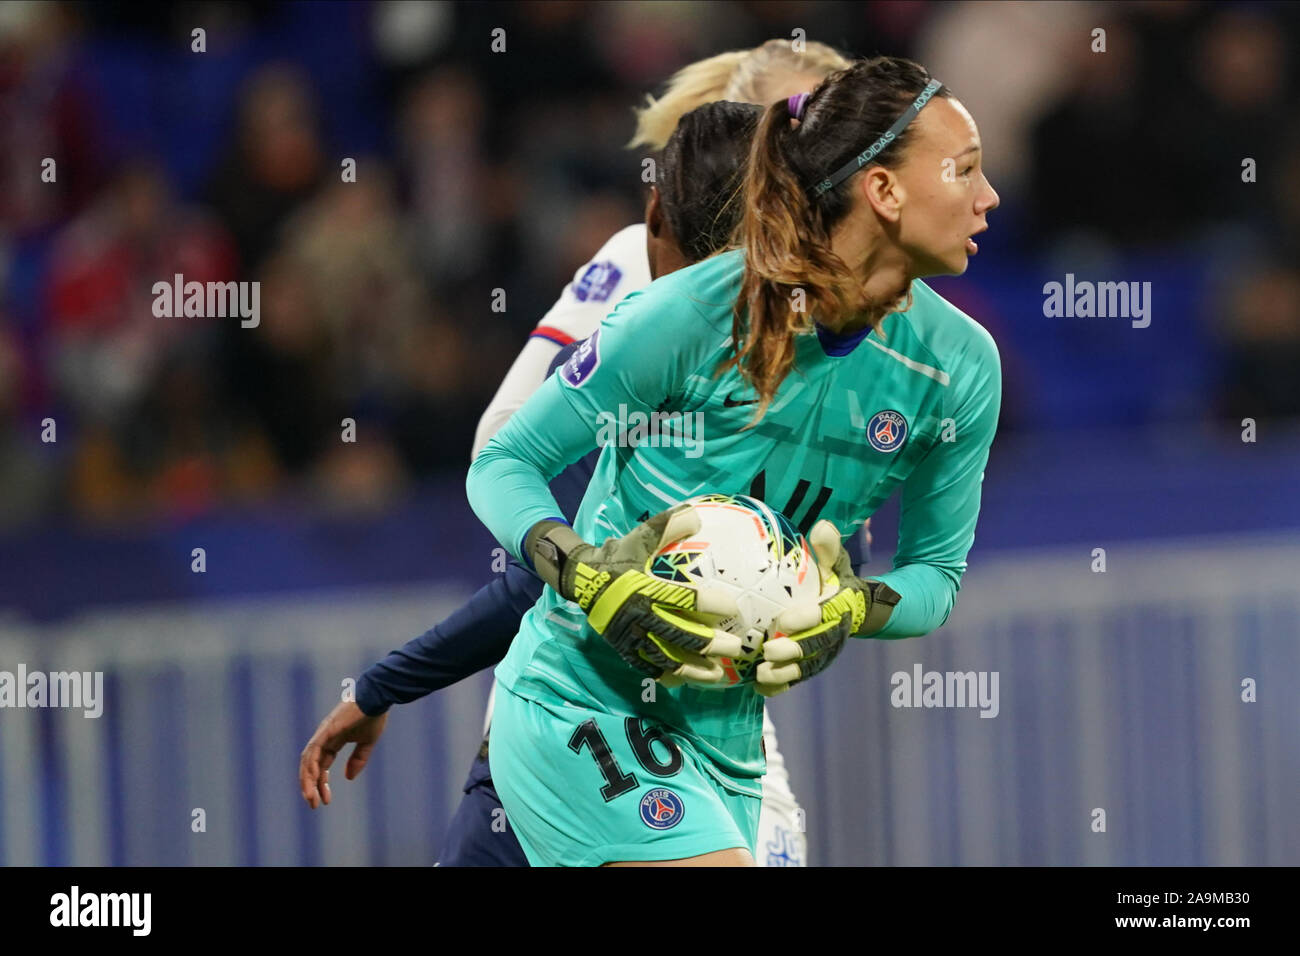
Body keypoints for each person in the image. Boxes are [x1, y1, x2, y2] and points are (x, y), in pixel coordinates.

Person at [300, 39, 854, 868]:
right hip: (573, 701)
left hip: (713, 732)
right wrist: (586, 561)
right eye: (798, 123)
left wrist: (827, 596)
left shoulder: (849, 321)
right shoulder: (642, 269)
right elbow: (507, 445)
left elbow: (844, 537)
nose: (814, 153)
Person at [467, 54, 1002, 866]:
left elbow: (935, 577)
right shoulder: (694, 312)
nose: (988, 195)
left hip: (730, 742)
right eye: (963, 170)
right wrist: (586, 574)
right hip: (584, 701)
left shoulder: (961, 368)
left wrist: (847, 606)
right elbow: (503, 462)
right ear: (885, 192)